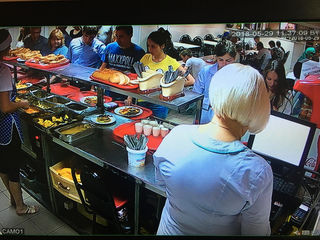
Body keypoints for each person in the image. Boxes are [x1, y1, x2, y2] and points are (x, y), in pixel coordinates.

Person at [153, 63, 272, 236]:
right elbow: (256, 232)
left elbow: (162, 183)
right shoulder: (257, 171)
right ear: (257, 108)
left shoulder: (175, 135)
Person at [0, 29, 40, 216]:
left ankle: (14, 199)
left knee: (2, 166)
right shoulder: (3, 71)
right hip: (7, 126)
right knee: (13, 166)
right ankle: (21, 207)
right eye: (8, 46)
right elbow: (6, 107)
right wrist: (22, 103)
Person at [135, 28, 194, 119]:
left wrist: (171, 86)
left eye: (153, 46)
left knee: (157, 129)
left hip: (159, 103)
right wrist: (129, 97)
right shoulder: (145, 58)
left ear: (162, 46)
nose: (150, 49)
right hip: (142, 99)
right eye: (148, 46)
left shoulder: (171, 62)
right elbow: (138, 78)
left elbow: (191, 80)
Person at [193, 40, 236, 124]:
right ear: (216, 58)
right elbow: (196, 95)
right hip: (204, 116)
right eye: (221, 60)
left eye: (228, 60)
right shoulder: (205, 72)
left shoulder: (239, 76)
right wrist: (210, 102)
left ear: (234, 59)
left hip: (227, 119)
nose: (224, 64)